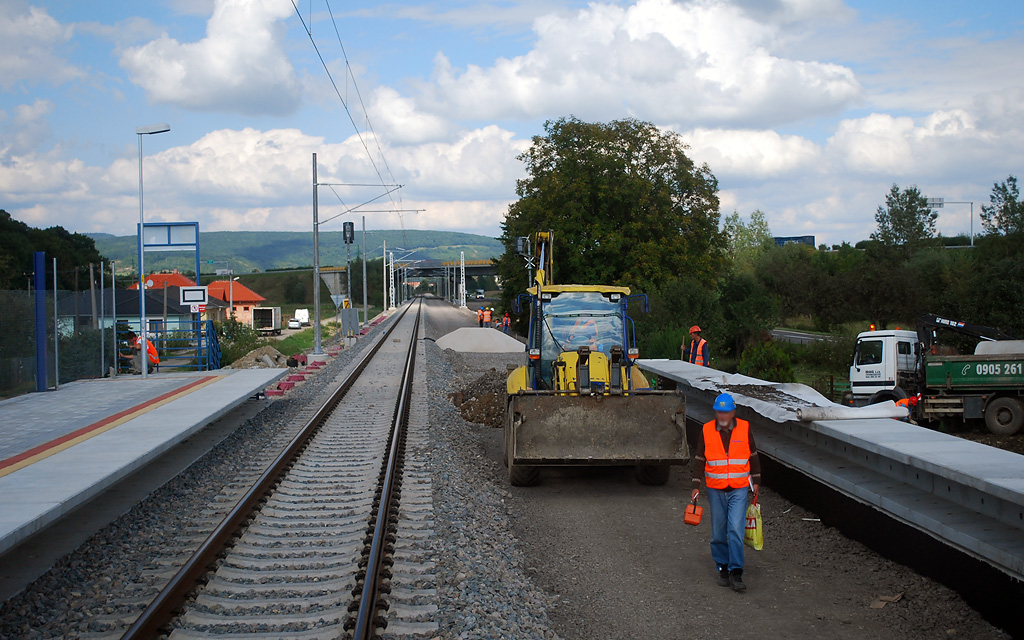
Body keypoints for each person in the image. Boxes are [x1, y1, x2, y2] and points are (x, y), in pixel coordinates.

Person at [691, 393, 761, 592]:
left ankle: (736, 570)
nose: (722, 415)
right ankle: (722, 567)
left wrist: (756, 480)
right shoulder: (706, 430)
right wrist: (696, 485)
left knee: (735, 530)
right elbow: (699, 458)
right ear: (716, 412)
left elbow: (753, 455)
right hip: (715, 489)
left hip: (738, 488)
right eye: (719, 411)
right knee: (718, 532)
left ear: (732, 413)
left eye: (726, 412)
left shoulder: (745, 429)